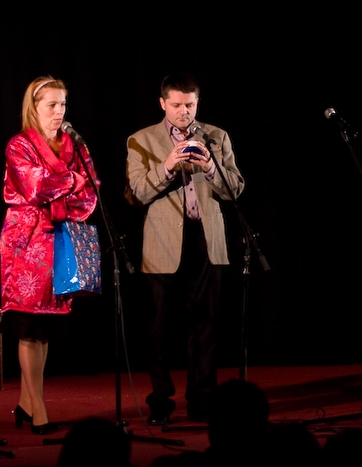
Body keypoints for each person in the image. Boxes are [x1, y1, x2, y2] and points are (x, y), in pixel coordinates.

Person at [125, 72, 245, 425]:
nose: (184, 112)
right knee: (159, 329)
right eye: (176, 105)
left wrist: (209, 166)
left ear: (197, 103)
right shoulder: (141, 140)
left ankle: (202, 402)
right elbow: (136, 194)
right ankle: (161, 403)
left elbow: (235, 189)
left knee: (205, 326)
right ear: (162, 103)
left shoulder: (217, 136)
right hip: (162, 241)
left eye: (190, 105)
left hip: (207, 240)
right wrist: (167, 166)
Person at [0, 75, 100, 435]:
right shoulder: (19, 145)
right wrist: (72, 182)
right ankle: (39, 409)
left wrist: (72, 187)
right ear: (35, 107)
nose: (59, 111)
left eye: (63, 104)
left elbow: (92, 191)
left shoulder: (74, 144)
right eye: (52, 105)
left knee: (44, 329)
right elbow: (35, 186)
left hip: (60, 239)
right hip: (26, 241)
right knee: (29, 325)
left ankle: (27, 404)